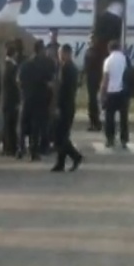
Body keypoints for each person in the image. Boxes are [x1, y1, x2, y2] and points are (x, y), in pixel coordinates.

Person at [18, 40, 54, 161]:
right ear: (41, 49)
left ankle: (20, 149)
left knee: (23, 125)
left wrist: (24, 90)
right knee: (35, 127)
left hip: (26, 98)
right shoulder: (45, 64)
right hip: (39, 99)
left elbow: (18, 80)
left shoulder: (25, 64)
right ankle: (34, 151)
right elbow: (50, 82)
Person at [52, 44, 83, 172]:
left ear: (67, 53)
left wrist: (57, 106)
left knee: (60, 136)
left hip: (65, 106)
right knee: (62, 135)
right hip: (69, 105)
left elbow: (62, 90)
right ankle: (60, 163)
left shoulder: (65, 68)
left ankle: (76, 156)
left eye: (60, 53)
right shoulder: (73, 68)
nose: (59, 56)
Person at [100, 40, 129, 148]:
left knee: (109, 117)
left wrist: (102, 93)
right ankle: (124, 139)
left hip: (111, 92)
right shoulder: (125, 59)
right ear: (119, 47)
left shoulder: (108, 61)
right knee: (123, 118)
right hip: (123, 92)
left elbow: (106, 78)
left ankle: (110, 139)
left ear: (109, 49)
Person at [1, 43, 20, 156]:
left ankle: (9, 146)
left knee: (8, 124)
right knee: (10, 125)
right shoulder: (12, 67)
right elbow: (14, 85)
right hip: (11, 101)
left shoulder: (5, 65)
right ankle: (10, 147)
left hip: (6, 100)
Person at [83, 37, 103, 131]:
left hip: (95, 77)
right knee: (92, 100)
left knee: (93, 101)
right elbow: (85, 66)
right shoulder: (88, 52)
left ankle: (95, 122)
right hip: (90, 78)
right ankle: (93, 122)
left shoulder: (97, 52)